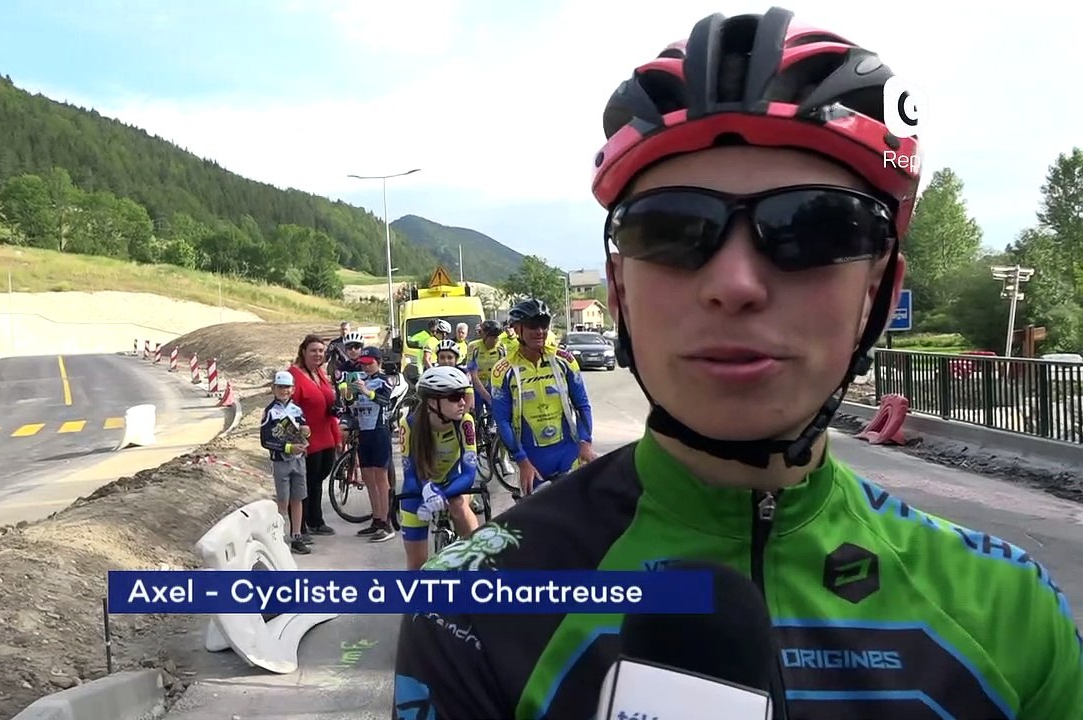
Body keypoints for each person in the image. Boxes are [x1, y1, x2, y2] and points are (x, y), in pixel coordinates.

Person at [393, 7, 1083, 720]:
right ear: (619, 289)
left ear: (879, 292)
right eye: (671, 228)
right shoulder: (468, 608)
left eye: (815, 226)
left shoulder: (1012, 612)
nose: (734, 284)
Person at [491, 298, 595, 497]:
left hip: (569, 454)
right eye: (532, 325)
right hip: (533, 461)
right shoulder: (502, 370)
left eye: (544, 325)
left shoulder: (565, 360)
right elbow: (502, 420)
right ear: (517, 328)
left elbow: (582, 405)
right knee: (540, 516)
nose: (539, 331)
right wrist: (522, 460)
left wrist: (585, 443)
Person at [397, 366, 481, 571]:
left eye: (463, 395)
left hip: (454, 481)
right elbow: (410, 476)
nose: (462, 402)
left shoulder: (465, 422)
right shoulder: (409, 424)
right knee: (416, 567)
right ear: (432, 402)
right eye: (454, 397)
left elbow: (469, 474)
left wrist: (441, 493)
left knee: (458, 505)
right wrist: (427, 489)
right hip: (420, 486)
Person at [338, 346, 396, 543]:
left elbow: (385, 400)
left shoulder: (384, 380)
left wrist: (367, 391)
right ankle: (376, 519)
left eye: (370, 363)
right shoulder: (360, 379)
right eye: (363, 364)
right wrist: (348, 395)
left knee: (381, 478)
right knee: (368, 478)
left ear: (378, 362)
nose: (366, 367)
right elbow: (351, 406)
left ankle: (387, 523)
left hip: (379, 432)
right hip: (364, 433)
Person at [287, 334, 341, 538]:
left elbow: (330, 407)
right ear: (303, 352)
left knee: (317, 481)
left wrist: (336, 437)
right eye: (313, 351)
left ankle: (315, 521)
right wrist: (296, 440)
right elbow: (287, 410)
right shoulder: (293, 376)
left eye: (321, 351)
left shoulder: (319, 373)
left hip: (326, 437)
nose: (318, 354)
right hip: (306, 441)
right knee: (303, 484)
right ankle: (299, 528)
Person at [258, 370, 311, 554]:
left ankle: (297, 536)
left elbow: (304, 429)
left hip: (299, 461)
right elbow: (265, 440)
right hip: (281, 461)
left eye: (287, 387)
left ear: (293, 389)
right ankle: (278, 539)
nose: (284, 391)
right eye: (280, 387)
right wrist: (288, 448)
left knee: (298, 498)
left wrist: (306, 431)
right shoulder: (270, 412)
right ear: (273, 388)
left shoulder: (297, 409)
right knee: (283, 500)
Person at [466, 320, 506, 425]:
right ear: (484, 335)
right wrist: (487, 397)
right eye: (492, 337)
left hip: (494, 385)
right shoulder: (473, 347)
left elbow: (505, 373)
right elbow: (473, 374)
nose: (495, 340)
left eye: (497, 337)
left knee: (494, 416)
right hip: (477, 383)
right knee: (476, 415)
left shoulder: (501, 347)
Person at [432, 338, 474, 411]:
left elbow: (469, 397)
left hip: (459, 410)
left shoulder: (463, 373)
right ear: (437, 360)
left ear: (456, 359)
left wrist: (464, 414)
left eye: (450, 357)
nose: (446, 361)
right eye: (442, 357)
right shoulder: (432, 373)